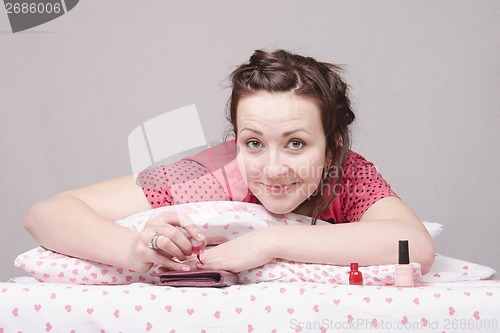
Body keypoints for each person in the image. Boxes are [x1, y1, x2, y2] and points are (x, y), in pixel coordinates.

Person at [24, 49, 435, 276]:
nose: (273, 168)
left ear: (332, 148)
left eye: (295, 143)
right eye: (254, 143)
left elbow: (414, 244)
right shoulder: (213, 175)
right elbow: (47, 214)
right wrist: (134, 248)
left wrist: (270, 241)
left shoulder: (348, 175)